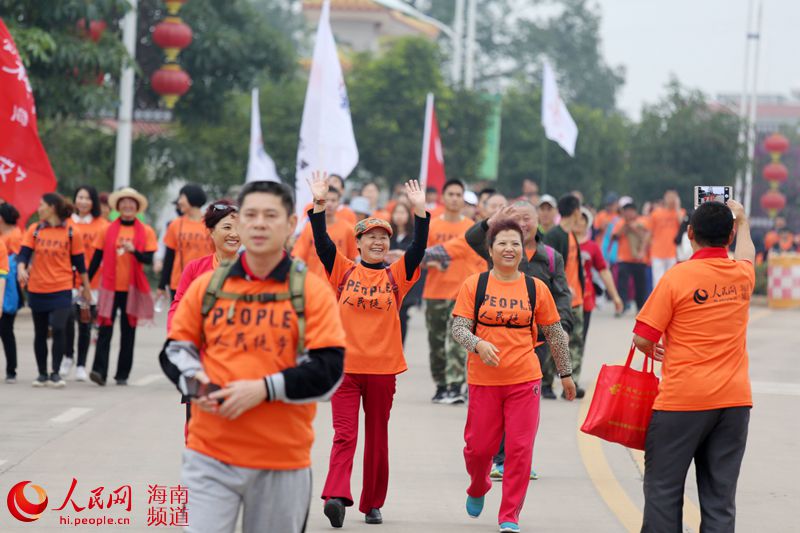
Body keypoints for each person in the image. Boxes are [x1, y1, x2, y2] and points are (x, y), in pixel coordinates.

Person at [165, 180, 346, 533]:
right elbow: (175, 350)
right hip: (209, 456)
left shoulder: (311, 291)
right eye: (250, 215)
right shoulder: (208, 286)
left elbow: (328, 370)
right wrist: (198, 384)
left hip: (281, 461)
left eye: (270, 215)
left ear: (291, 223)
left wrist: (264, 389)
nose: (259, 223)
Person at [308, 172, 429, 528]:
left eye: (383, 237)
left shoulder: (397, 275)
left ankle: (372, 503)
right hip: (344, 369)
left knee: (377, 438)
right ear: (358, 243)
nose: (377, 242)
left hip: (382, 370)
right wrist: (319, 205)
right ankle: (335, 497)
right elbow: (321, 244)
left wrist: (420, 212)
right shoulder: (342, 271)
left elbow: (419, 248)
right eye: (370, 237)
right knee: (344, 434)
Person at [633, 200, 755, 532]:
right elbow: (748, 253)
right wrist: (741, 220)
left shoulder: (678, 277)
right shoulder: (743, 275)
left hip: (681, 402)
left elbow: (643, 337)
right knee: (719, 500)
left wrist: (660, 349)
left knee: (663, 491)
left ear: (689, 233)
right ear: (729, 235)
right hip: (734, 403)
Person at [451, 218, 575, 533]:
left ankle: (509, 515)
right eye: (503, 243)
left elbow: (555, 334)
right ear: (490, 249)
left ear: (523, 249)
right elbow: (459, 328)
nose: (509, 249)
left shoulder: (536, 288)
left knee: (520, 451)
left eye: (515, 243)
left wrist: (566, 374)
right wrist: (478, 344)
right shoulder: (475, 284)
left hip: (525, 380)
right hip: (484, 381)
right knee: (478, 450)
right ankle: (478, 486)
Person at [18, 193, 92, 388]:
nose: (39, 208)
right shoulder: (35, 230)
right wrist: (21, 269)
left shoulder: (71, 232)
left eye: (41, 204)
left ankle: (56, 373)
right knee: (40, 332)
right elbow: (23, 255)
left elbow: (80, 264)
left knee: (59, 328)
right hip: (37, 288)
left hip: (62, 287)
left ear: (52, 207)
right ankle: (42, 373)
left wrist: (86, 288)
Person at [87, 188, 157, 386]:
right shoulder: (106, 230)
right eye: (124, 202)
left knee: (128, 332)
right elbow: (96, 258)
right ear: (118, 207)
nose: (127, 206)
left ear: (137, 207)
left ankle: (122, 374)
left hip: (132, 289)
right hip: (110, 288)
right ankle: (99, 372)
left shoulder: (146, 231)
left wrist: (135, 251)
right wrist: (85, 282)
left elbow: (149, 259)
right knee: (104, 329)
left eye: (131, 203)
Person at [423, 179, 476, 404]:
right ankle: (441, 385)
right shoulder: (432, 225)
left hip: (461, 294)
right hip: (435, 292)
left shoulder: (470, 227)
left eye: (458, 194)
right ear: (443, 198)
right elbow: (420, 258)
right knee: (436, 342)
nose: (454, 198)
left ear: (463, 199)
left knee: (456, 340)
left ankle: (455, 385)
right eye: (451, 194)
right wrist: (434, 263)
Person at [60, 185, 109, 382]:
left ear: (94, 202)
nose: (83, 201)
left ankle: (81, 363)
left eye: (87, 198)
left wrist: (87, 283)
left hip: (91, 282)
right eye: (80, 197)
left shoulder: (102, 225)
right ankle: (67, 356)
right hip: (66, 280)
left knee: (85, 322)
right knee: (66, 320)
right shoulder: (65, 223)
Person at [543, 194, 587, 398]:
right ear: (576, 211)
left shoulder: (571, 235)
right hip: (561, 299)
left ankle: (571, 383)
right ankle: (547, 382)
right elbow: (547, 265)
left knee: (576, 341)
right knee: (557, 339)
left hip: (576, 300)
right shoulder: (555, 235)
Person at [158, 184, 214, 301]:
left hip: (206, 284)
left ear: (191, 198)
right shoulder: (175, 224)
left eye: (181, 197)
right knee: (178, 319)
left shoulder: (212, 225)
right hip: (179, 284)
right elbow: (169, 256)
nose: (179, 202)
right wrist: (162, 284)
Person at [575, 208, 623, 342]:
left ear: (587, 223)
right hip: (564, 299)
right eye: (576, 218)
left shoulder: (592, 247)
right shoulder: (562, 243)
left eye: (582, 219)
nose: (578, 222)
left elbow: (604, 271)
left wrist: (615, 297)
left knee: (580, 341)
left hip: (585, 298)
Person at [292, 186, 357, 280]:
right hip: (313, 286)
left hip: (338, 288)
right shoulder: (309, 227)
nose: (329, 204)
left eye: (333, 200)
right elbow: (299, 257)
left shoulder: (348, 229)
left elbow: (353, 260)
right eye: (326, 200)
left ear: (339, 203)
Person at [388, 201, 424, 344]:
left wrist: (402, 255)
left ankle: (399, 347)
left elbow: (418, 256)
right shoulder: (388, 235)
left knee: (401, 317)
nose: (399, 216)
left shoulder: (412, 237)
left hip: (405, 284)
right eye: (396, 212)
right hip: (388, 282)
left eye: (402, 212)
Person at [613, 201, 652, 311]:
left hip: (639, 260)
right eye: (626, 211)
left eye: (631, 211)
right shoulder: (621, 223)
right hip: (624, 259)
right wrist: (626, 226)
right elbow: (615, 237)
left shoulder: (642, 222)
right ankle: (622, 306)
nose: (628, 213)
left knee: (640, 285)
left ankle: (640, 307)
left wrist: (634, 227)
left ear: (635, 212)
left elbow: (646, 237)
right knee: (622, 284)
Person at [0, 203, 22, 383]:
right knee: (7, 331)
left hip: (8, 290)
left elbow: (9, 267)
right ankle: (11, 369)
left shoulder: (11, 237)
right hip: (10, 290)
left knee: (6, 330)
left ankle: (11, 369)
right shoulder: (14, 233)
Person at [649, 190, 683, 286]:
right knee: (658, 281)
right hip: (657, 252)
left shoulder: (680, 213)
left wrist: (677, 208)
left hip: (673, 252)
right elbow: (649, 232)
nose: (671, 200)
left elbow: (682, 226)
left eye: (673, 197)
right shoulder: (656, 214)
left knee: (672, 280)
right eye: (669, 197)